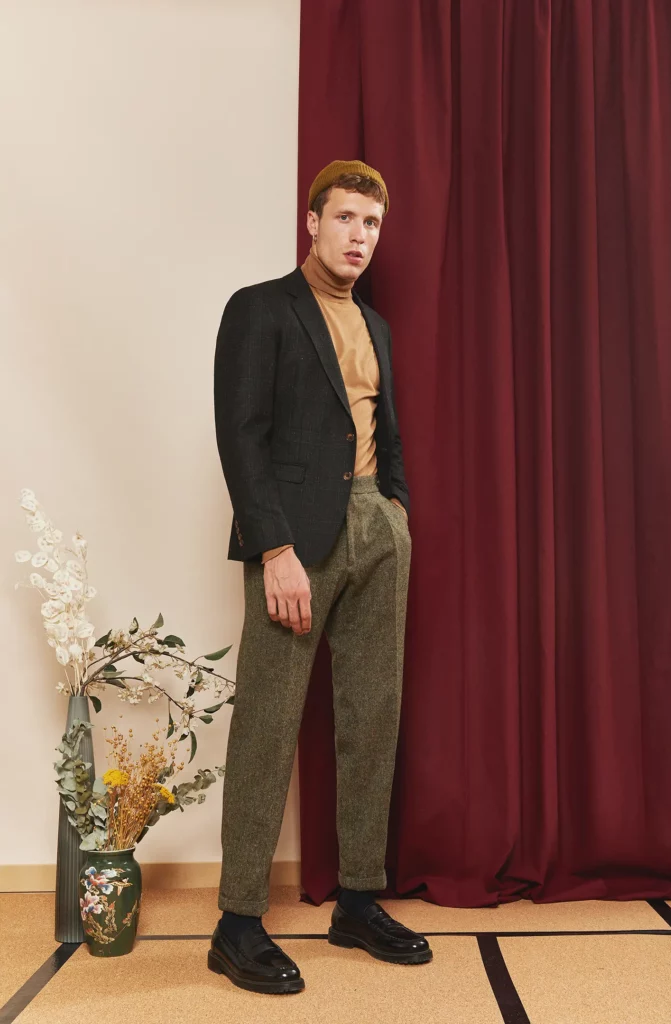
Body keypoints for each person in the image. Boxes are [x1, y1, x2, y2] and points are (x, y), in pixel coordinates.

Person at [209, 159, 431, 995]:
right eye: (344, 218)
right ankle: (236, 922)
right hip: (295, 538)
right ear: (312, 221)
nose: (358, 236)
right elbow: (240, 432)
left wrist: (396, 510)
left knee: (371, 717)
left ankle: (358, 901)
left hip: (377, 529)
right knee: (268, 724)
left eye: (370, 223)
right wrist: (275, 550)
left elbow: (386, 429)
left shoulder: (374, 325)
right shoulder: (261, 308)